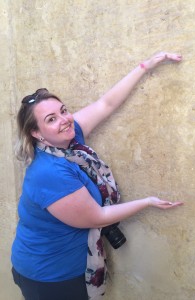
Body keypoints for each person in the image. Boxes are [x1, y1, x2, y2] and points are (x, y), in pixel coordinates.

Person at [11, 52, 183, 300]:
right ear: (37, 133)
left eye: (63, 111)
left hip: (56, 266)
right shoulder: (49, 172)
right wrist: (148, 203)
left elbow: (106, 104)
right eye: (51, 119)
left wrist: (147, 65)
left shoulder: (67, 141)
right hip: (49, 275)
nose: (64, 120)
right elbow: (97, 216)